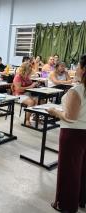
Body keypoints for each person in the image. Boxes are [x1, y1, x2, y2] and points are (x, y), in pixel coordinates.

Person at [47, 54, 86, 213]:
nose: (75, 68)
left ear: (83, 69)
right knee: (83, 169)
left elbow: (70, 118)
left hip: (73, 134)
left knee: (69, 170)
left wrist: (55, 112)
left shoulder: (77, 90)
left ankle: (66, 204)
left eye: (78, 65)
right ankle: (81, 199)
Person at [13, 62, 39, 126]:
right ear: (25, 69)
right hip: (19, 95)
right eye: (29, 69)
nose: (30, 70)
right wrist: (31, 86)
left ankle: (36, 117)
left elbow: (30, 84)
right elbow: (18, 89)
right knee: (31, 102)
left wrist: (35, 84)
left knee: (40, 100)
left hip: (27, 93)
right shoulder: (18, 77)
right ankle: (27, 120)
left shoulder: (26, 77)